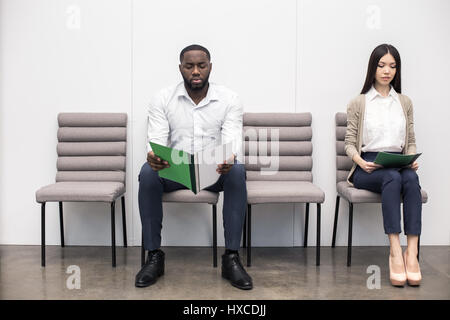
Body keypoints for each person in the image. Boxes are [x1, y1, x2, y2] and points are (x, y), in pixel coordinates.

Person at [135, 44, 252, 290]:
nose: (196, 71)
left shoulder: (229, 99)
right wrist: (154, 156)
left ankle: (231, 257)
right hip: (177, 169)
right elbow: (156, 139)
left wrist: (229, 159)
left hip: (213, 170)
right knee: (147, 172)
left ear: (211, 67)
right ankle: (153, 256)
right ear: (181, 69)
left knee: (238, 170)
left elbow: (232, 140)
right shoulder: (163, 98)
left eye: (201, 65)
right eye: (189, 66)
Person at [345, 44, 422, 287]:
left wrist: (411, 159)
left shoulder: (405, 102)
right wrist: (360, 162)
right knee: (393, 178)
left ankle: (412, 252)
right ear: (373, 68)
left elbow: (409, 140)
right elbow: (349, 144)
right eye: (381, 65)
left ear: (397, 70)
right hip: (368, 165)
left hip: (398, 164)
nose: (387, 71)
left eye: (392, 66)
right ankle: (394, 251)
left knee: (410, 179)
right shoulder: (359, 102)